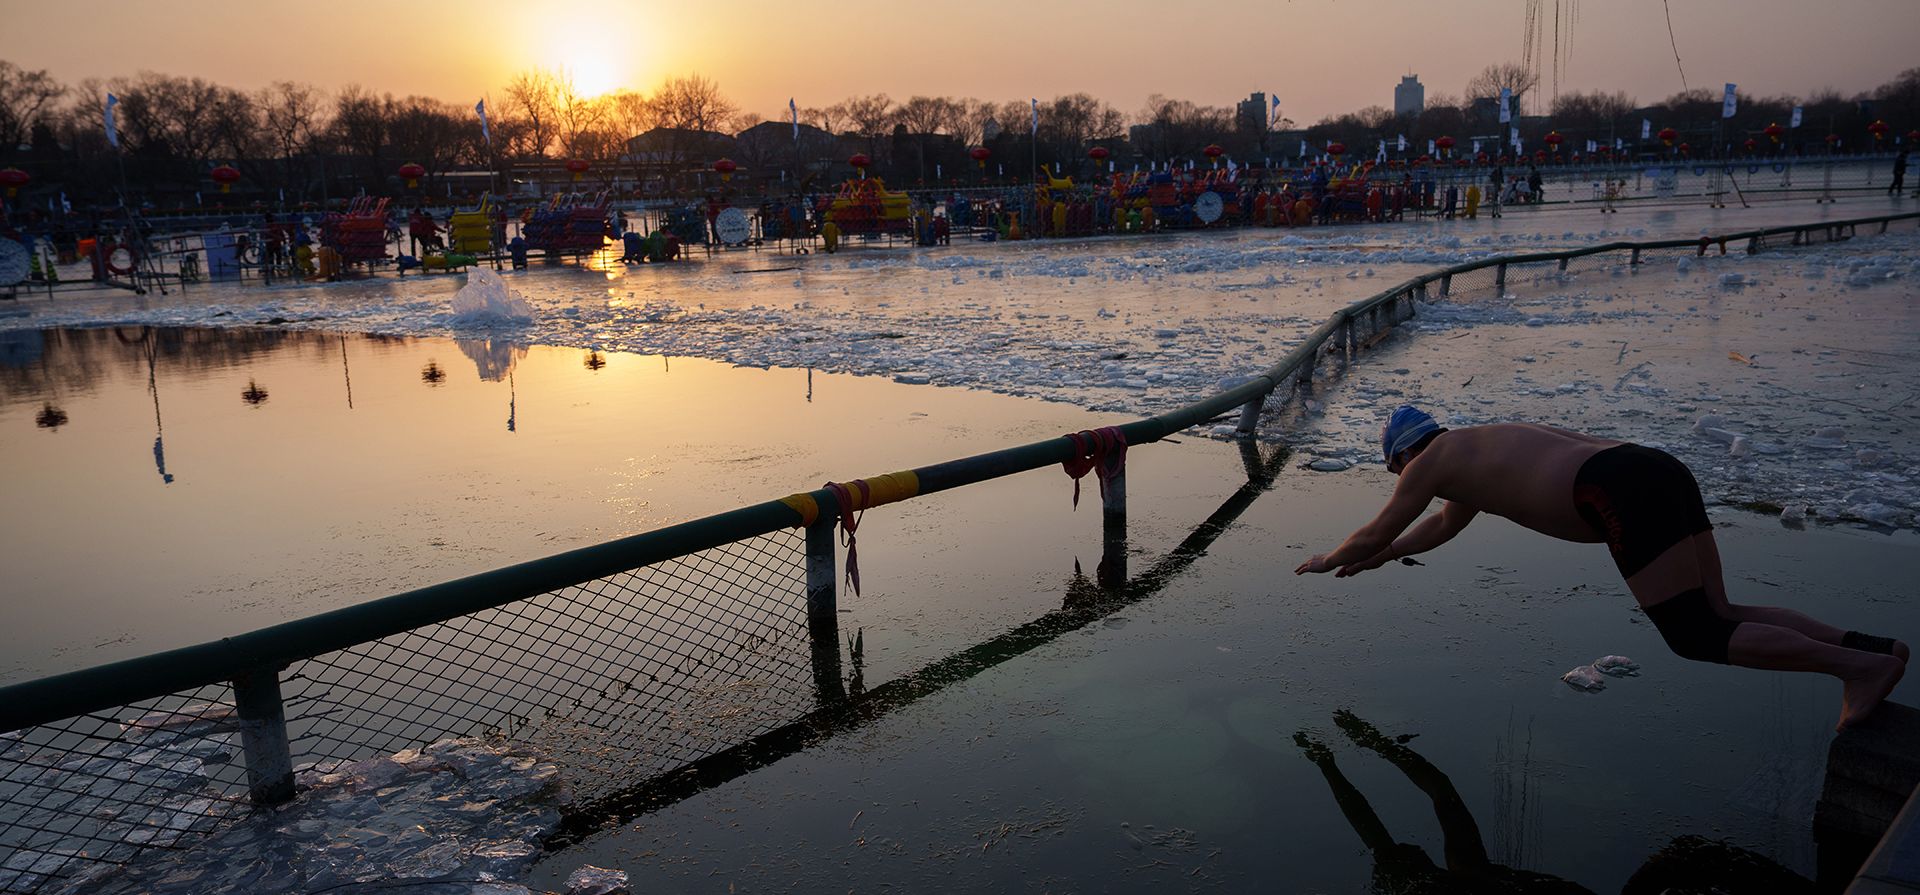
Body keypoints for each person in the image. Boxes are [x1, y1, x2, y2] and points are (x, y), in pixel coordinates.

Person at [1294, 406, 1909, 729]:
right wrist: (1381, 559)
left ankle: (1855, 668)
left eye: (1396, 471)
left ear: (1403, 455)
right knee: (1719, 611)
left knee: (1693, 635)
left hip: (1612, 490)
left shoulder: (1428, 462)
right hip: (1653, 466)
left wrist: (1331, 558)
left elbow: (1382, 526)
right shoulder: (1472, 450)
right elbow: (1439, 527)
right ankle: (1874, 651)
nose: (1404, 481)